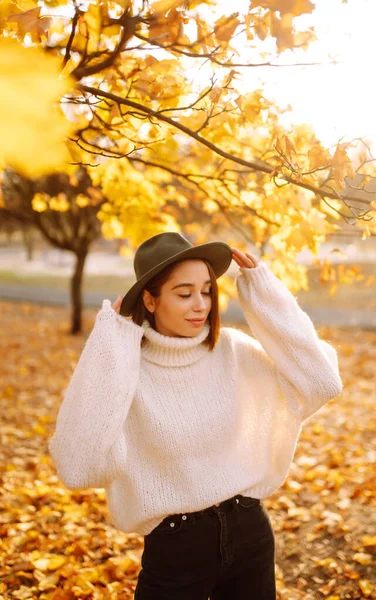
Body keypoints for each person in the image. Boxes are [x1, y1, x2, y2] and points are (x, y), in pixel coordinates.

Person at [48, 231, 343, 600]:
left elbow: (321, 381)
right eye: (184, 294)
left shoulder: (232, 350)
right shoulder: (125, 371)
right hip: (176, 550)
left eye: (207, 290)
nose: (201, 304)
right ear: (151, 301)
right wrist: (109, 347)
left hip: (249, 530)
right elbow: (80, 466)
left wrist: (266, 296)